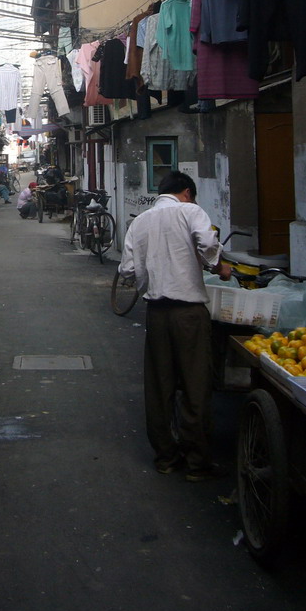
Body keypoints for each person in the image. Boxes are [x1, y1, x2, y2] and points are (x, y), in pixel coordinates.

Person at [119, 170, 232, 481]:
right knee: (195, 386)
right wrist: (218, 265)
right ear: (186, 192)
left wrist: (150, 281)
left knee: (159, 388)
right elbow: (207, 241)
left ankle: (166, 458)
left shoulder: (140, 222)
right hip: (189, 314)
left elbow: (128, 269)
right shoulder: (190, 210)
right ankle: (197, 463)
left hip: (156, 313)